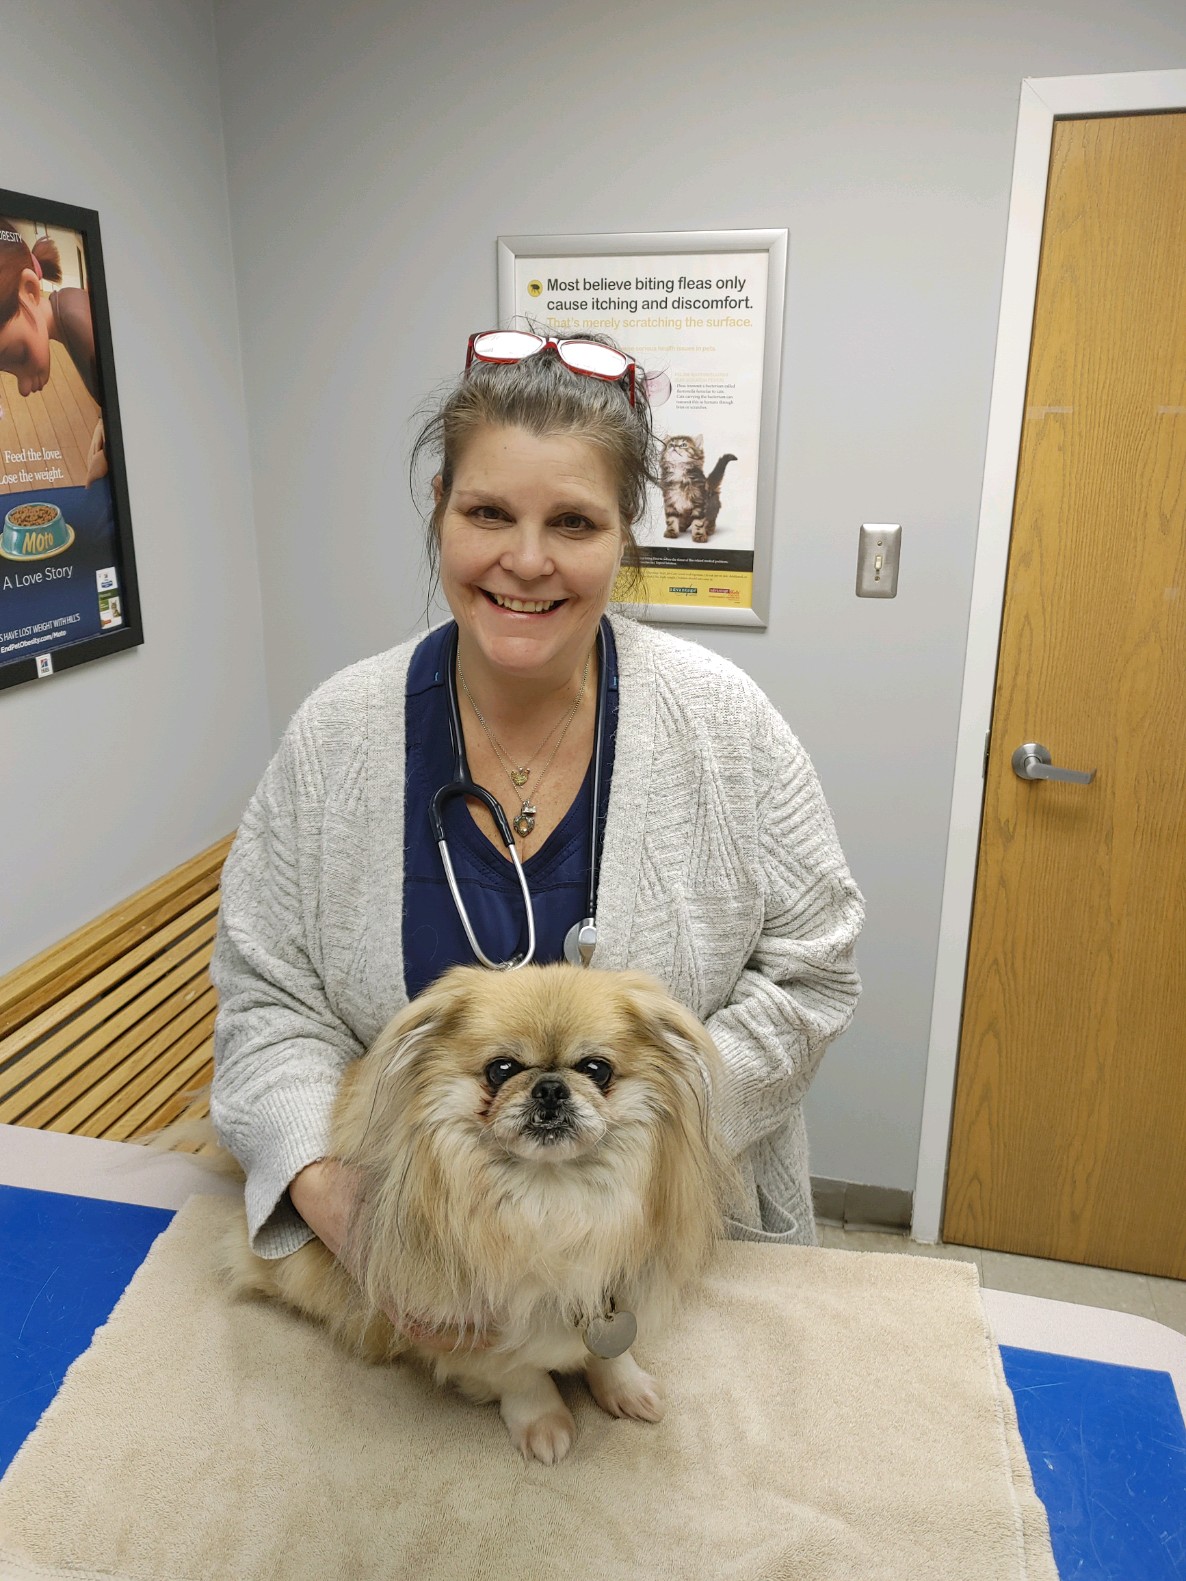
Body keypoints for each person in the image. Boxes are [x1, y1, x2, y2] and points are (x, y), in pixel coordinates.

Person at [210, 329, 864, 1343]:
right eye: (487, 514)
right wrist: (344, 1209)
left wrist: (659, 1151)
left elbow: (816, 976)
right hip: (403, 1288)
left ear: (624, 534)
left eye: (572, 521)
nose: (525, 560)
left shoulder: (725, 726)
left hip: (670, 1280)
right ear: (439, 511)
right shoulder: (336, 736)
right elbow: (266, 1002)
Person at [0, 220, 106, 482]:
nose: (24, 388)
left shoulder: (80, 325)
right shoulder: (67, 314)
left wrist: (110, 459)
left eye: (20, 355)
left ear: (30, 291)